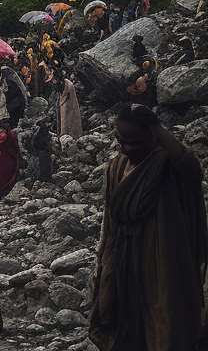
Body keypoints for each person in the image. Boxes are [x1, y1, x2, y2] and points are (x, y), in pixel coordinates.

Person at [89, 104, 208, 350]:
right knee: (126, 322)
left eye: (135, 142)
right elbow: (109, 221)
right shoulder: (118, 166)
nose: (127, 148)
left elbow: (191, 167)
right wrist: (104, 264)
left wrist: (156, 127)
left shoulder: (167, 168)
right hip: (125, 258)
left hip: (161, 261)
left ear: (153, 137)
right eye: (121, 140)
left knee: (161, 321)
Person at [0, 121, 19, 197]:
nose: (8, 125)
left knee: (10, 174)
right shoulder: (2, 135)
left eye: (8, 123)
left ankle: (5, 192)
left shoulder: (10, 134)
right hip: (4, 157)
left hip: (10, 157)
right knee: (2, 176)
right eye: (5, 123)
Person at [30, 119, 54, 184]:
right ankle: (44, 179)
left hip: (44, 151)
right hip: (42, 151)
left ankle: (46, 178)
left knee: (46, 165)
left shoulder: (43, 130)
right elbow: (36, 142)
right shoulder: (40, 131)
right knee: (43, 166)